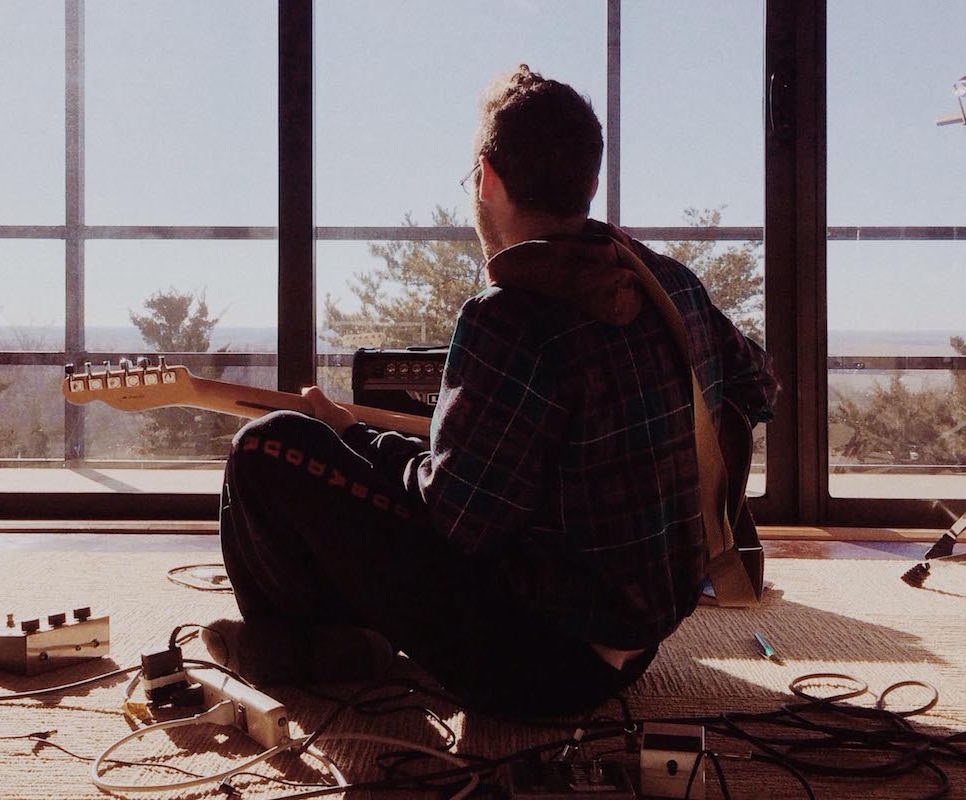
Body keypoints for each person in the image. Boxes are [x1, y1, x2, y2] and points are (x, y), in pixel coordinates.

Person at [210, 65, 778, 717]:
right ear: (590, 183)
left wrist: (355, 437)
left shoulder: (509, 315)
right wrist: (690, 485)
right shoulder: (671, 284)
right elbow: (755, 386)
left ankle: (301, 648)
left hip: (541, 666)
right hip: (641, 640)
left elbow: (458, 521)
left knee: (266, 448)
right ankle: (343, 644)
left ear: (486, 178)